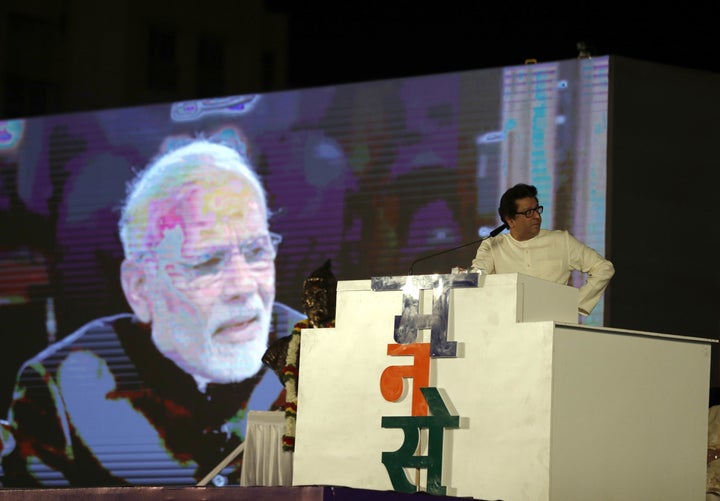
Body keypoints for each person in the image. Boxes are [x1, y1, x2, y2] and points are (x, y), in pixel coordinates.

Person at [0, 139, 304, 487]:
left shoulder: (320, 358)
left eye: (257, 251)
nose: (245, 286)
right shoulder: (59, 392)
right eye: (206, 262)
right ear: (141, 287)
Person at [470, 183, 614, 316]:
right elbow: (477, 277)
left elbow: (603, 268)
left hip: (553, 329)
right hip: (507, 327)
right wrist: (464, 276)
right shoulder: (492, 245)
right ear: (510, 220)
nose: (537, 216)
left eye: (537, 209)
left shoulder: (561, 241)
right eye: (529, 213)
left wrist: (576, 303)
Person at [261, 259, 337, 451]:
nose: (318, 302)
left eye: (324, 295)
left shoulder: (349, 343)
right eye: (312, 295)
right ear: (303, 301)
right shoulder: (280, 350)